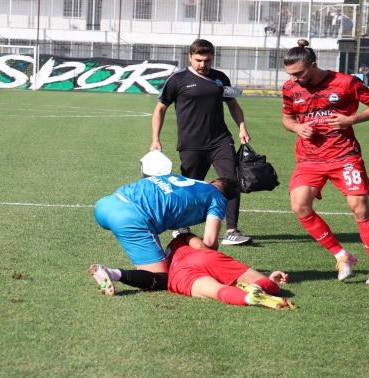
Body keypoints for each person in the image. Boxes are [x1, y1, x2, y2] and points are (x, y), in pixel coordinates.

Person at [281, 39, 369, 284]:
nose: (295, 79)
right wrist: (297, 127)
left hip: (344, 156)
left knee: (360, 208)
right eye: (290, 75)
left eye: (299, 73)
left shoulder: (346, 82)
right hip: (309, 158)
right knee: (300, 205)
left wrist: (351, 120)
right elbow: (286, 119)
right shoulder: (290, 88)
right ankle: (342, 256)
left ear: (313, 64)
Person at [151, 39, 253, 246]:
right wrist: (155, 140)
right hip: (191, 144)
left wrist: (242, 127)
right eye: (198, 60)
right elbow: (160, 109)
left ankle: (231, 230)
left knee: (230, 182)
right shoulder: (177, 79)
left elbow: (233, 105)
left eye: (207, 60)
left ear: (213, 58)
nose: (203, 64)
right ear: (190, 57)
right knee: (189, 188)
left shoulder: (220, 78)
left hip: (221, 141)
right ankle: (182, 227)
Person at [91, 174, 240, 295]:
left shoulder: (185, 179)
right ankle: (111, 273)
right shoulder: (218, 199)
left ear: (212, 180)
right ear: (227, 199)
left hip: (106, 204)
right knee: (162, 278)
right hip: (129, 218)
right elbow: (209, 244)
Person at [90, 232, 295, 310]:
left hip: (179, 276)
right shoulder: (180, 238)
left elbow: (152, 277)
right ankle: (261, 286)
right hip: (201, 257)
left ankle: (249, 298)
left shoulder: (162, 268)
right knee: (273, 288)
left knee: (219, 292)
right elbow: (200, 246)